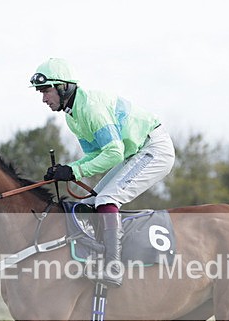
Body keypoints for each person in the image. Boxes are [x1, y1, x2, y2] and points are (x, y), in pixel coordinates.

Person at [30, 58, 175, 287]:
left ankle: (114, 266)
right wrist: (66, 170)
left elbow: (114, 154)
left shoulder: (91, 109)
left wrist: (75, 171)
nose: (44, 98)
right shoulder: (72, 116)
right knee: (92, 200)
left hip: (153, 148)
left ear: (63, 87)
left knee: (108, 198)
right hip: (134, 152)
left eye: (46, 91)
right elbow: (97, 155)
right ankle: (96, 257)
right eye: (41, 92)